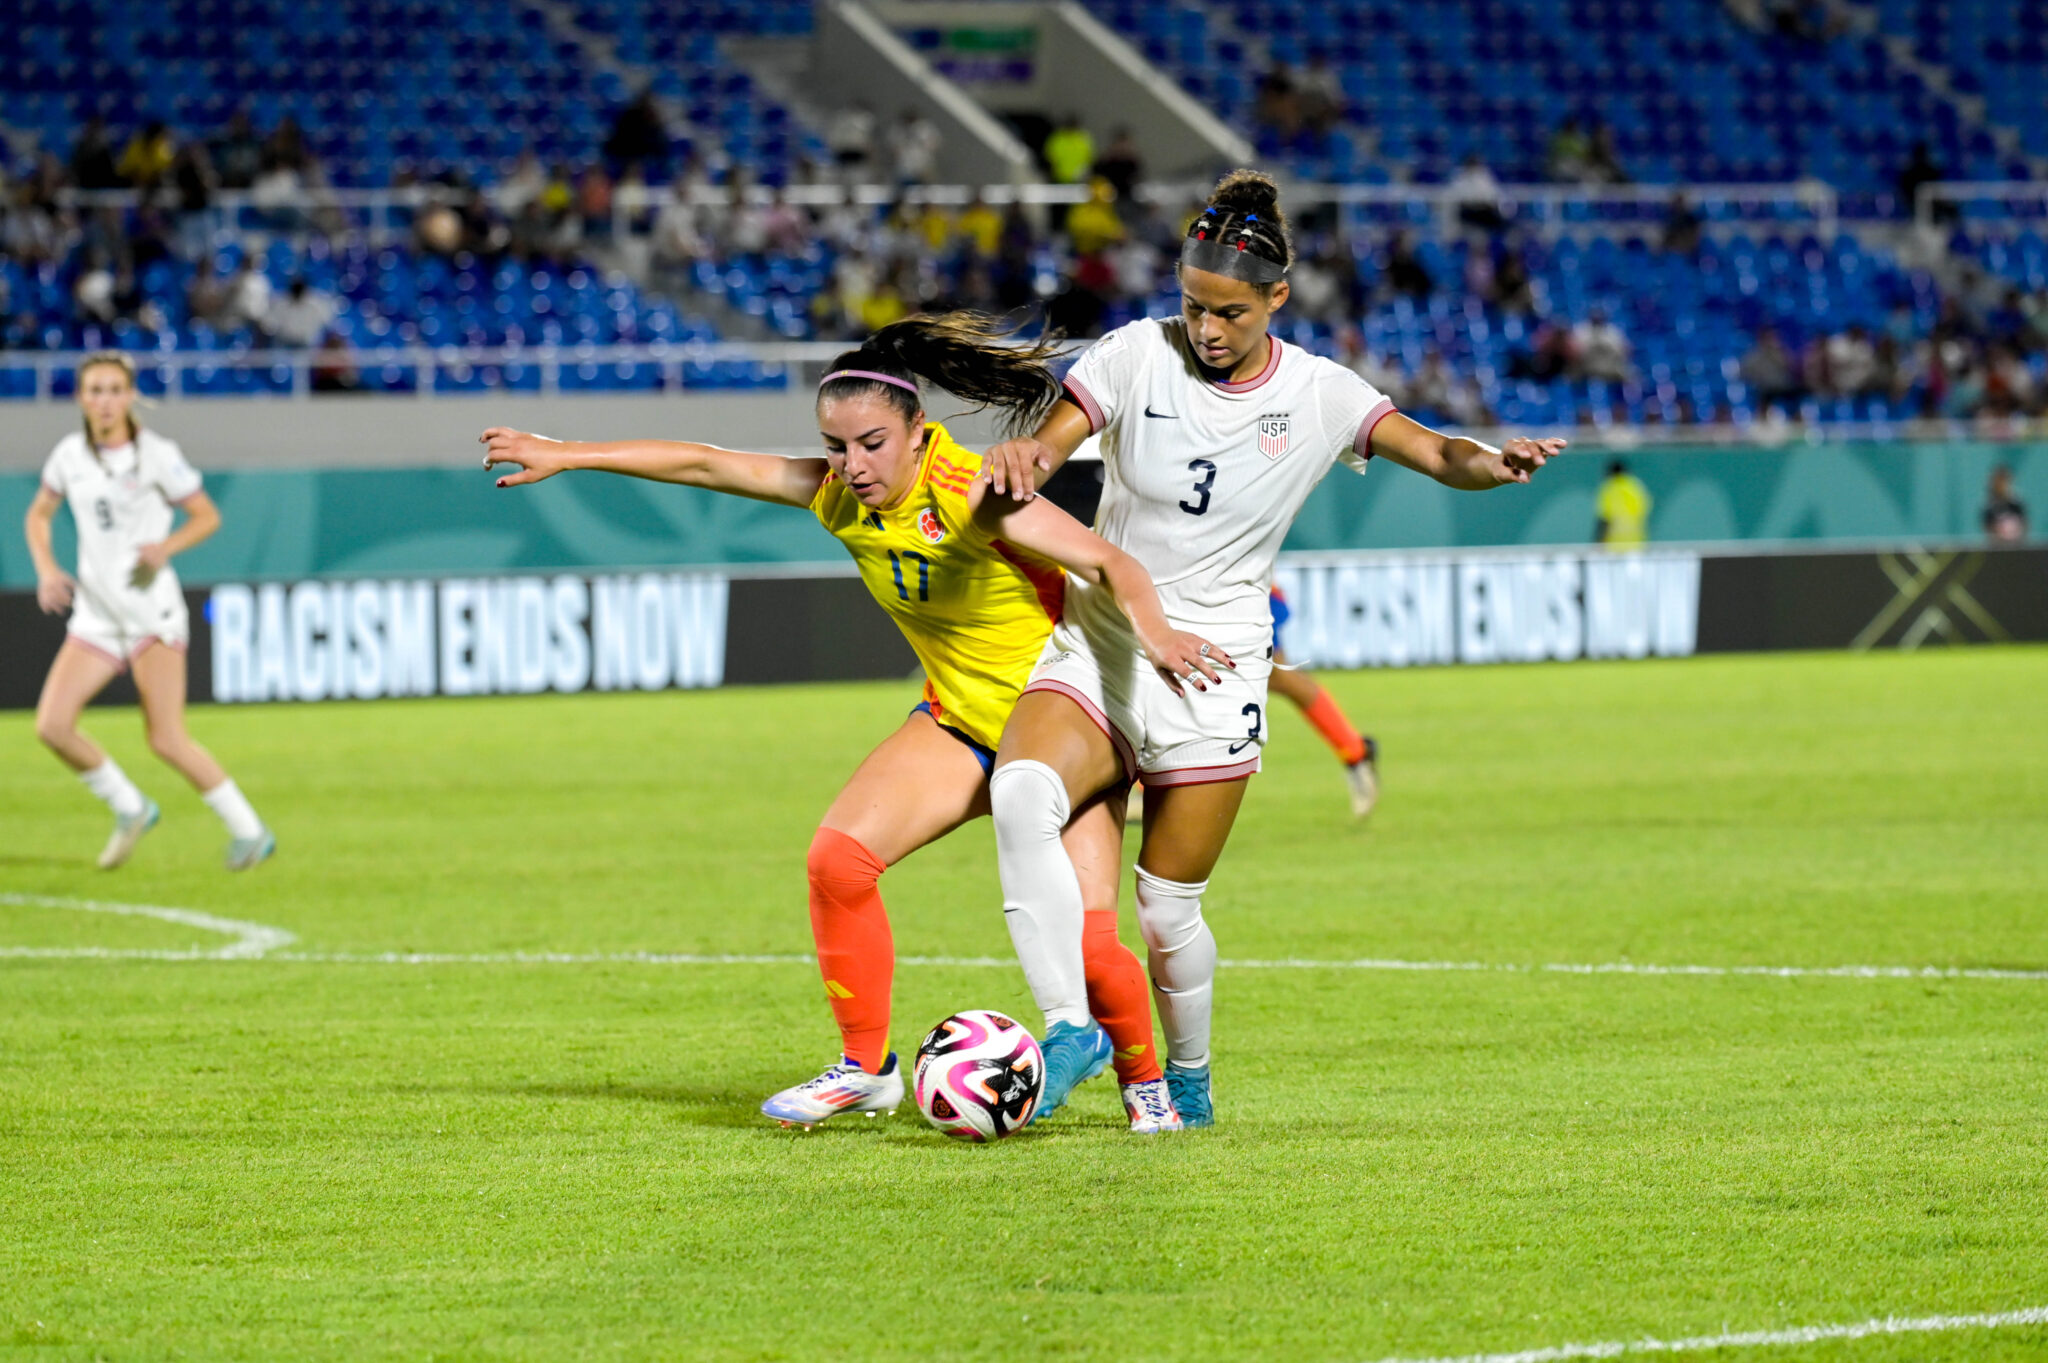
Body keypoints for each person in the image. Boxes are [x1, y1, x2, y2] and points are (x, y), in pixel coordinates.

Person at [479, 314, 1225, 1135]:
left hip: (1061, 728)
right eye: (836, 446)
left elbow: (1111, 562)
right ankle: (865, 1069)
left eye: (870, 443)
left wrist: (1158, 639)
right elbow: (703, 460)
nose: (850, 465)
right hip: (962, 724)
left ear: (918, 432)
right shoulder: (839, 495)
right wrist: (568, 452)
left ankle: (1147, 1087)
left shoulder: (974, 492)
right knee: (838, 861)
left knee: (1089, 949)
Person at [976, 170, 1563, 1126]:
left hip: (1215, 669)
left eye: (1231, 313)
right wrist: (1024, 461)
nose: (1206, 329)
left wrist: (1495, 465)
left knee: (1166, 908)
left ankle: (1192, 1077)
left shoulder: (1322, 394)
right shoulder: (1134, 355)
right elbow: (1050, 445)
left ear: (1277, 300)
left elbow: (1439, 453)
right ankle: (1070, 1027)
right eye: (1193, 305)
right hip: (1106, 646)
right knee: (1019, 791)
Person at [24, 352, 275, 871]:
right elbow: (40, 513)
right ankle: (130, 806)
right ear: (80, 398)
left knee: (165, 737)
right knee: (52, 726)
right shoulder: (69, 455)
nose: (105, 401)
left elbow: (207, 515)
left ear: (131, 395)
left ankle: (249, 831)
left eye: (115, 389)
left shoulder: (157, 455)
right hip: (97, 614)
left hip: (149, 612)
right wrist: (47, 568)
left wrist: (167, 547)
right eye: (95, 390)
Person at [1268, 587, 1379, 816]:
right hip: (1222, 585)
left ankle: (1356, 751)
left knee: (1277, 675)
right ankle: (1356, 751)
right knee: (1276, 676)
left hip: (1242, 587)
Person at [1594, 458, 1652, 549]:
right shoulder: (1635, 486)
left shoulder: (1609, 487)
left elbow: (1604, 519)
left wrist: (1598, 542)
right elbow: (1645, 510)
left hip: (1614, 544)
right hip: (1636, 543)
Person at [1983, 464, 2028, 542]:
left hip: (2017, 546)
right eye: (1998, 481)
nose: (2001, 485)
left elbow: (2025, 526)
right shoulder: (1989, 507)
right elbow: (1988, 529)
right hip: (1998, 548)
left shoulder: (2016, 504)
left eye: (2004, 481)